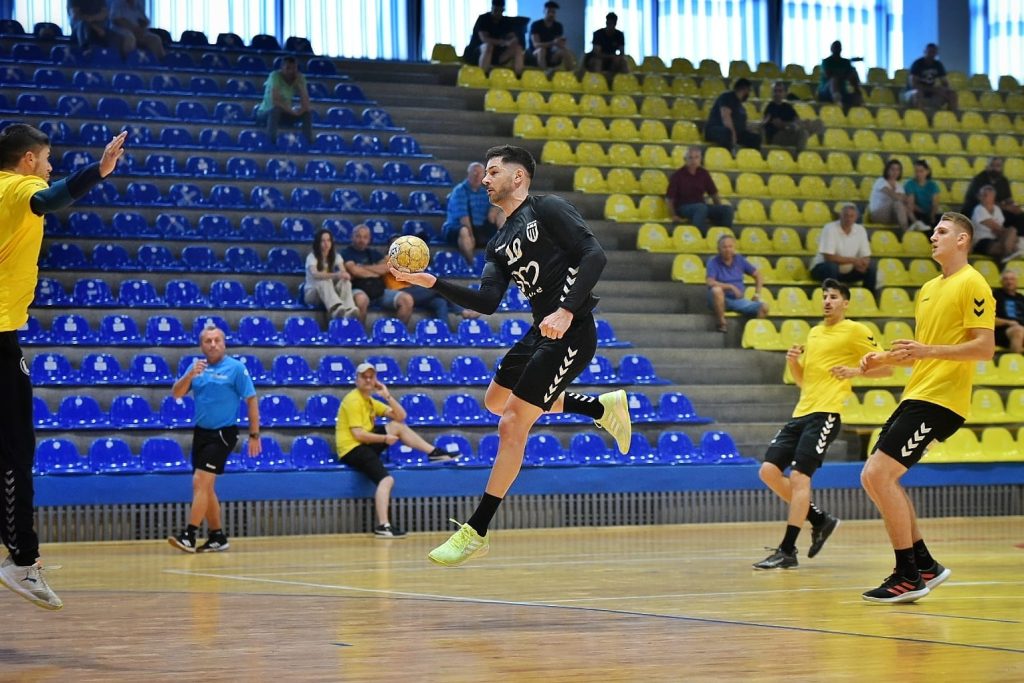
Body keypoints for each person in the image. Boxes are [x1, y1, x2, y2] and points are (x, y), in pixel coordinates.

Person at [389, 145, 633, 566]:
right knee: (496, 400)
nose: (485, 179)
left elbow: (595, 255)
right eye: (485, 173)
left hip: (572, 331)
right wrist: (432, 282)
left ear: (518, 177)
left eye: (493, 172)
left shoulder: (547, 208)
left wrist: (566, 309)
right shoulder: (499, 242)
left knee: (512, 422)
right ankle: (599, 407)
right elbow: (487, 301)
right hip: (540, 331)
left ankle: (476, 530)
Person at [0, 123, 125, 610]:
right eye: (48, 159)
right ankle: (22, 561)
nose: (50, 167)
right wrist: (98, 170)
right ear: (29, 159)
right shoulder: (18, 187)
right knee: (16, 450)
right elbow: (50, 199)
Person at [859, 211, 994, 603]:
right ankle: (925, 565)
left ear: (962, 240)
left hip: (943, 400)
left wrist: (928, 350)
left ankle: (907, 576)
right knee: (872, 478)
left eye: (942, 231)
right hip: (917, 393)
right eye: (934, 231)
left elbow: (984, 347)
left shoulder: (974, 283)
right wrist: (883, 359)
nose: (933, 236)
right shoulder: (929, 288)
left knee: (879, 474)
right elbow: (919, 352)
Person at [754, 279, 888, 570]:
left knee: (800, 478)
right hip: (801, 413)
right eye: (825, 296)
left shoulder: (856, 330)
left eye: (834, 296)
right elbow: (804, 382)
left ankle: (787, 550)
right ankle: (819, 519)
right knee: (768, 471)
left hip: (826, 414)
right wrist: (793, 363)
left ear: (845, 303)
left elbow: (886, 368)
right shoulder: (814, 333)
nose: (827, 301)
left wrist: (854, 370)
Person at [336, 362, 457, 538]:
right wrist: (385, 439)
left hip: (363, 444)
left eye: (371, 377)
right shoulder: (353, 400)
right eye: (364, 377)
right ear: (357, 380)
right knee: (386, 480)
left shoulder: (370, 401)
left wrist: (387, 395)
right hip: (351, 449)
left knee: (397, 426)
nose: (368, 380)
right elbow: (358, 435)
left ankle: (434, 453)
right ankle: (383, 526)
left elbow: (401, 416)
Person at [168, 324, 261, 554]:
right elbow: (176, 393)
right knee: (206, 487)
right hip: (201, 433)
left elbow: (251, 400)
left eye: (217, 340)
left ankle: (189, 535)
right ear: (201, 345)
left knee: (200, 482)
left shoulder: (236, 369)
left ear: (224, 343)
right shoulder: (195, 367)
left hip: (223, 434)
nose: (212, 344)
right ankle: (217, 536)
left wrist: (254, 435)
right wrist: (190, 375)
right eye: (208, 341)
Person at [343, 223, 415, 325]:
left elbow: (386, 268)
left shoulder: (374, 253)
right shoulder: (346, 253)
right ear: (352, 237)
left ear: (369, 239)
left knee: (407, 299)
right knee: (361, 299)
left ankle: (397, 331)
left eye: (365, 237)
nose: (361, 240)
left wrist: (362, 267)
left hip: (379, 291)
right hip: (358, 289)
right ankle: (359, 332)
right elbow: (355, 271)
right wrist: (375, 270)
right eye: (358, 236)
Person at [443, 162, 503, 266]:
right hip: (457, 227)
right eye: (474, 173)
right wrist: (472, 236)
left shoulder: (485, 193)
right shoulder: (459, 191)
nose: (477, 176)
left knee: (502, 216)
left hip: (479, 227)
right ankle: (471, 265)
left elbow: (497, 208)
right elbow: (464, 219)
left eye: (480, 174)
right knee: (464, 231)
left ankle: (503, 258)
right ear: (469, 173)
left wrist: (495, 209)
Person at [706, 234, 767, 333]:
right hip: (720, 299)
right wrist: (730, 287)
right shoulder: (713, 262)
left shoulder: (740, 260)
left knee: (764, 307)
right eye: (724, 247)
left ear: (734, 248)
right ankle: (721, 323)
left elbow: (758, 275)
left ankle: (754, 333)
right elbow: (710, 282)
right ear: (719, 249)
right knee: (716, 290)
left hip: (738, 300)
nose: (728, 250)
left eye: (730, 246)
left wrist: (757, 294)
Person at [810, 203, 878, 291]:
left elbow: (865, 255)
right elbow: (829, 258)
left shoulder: (861, 230)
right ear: (840, 216)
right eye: (846, 215)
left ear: (856, 217)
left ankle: (868, 296)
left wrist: (863, 263)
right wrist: (854, 261)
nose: (848, 219)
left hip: (848, 270)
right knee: (832, 267)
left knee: (871, 268)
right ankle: (833, 297)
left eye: (851, 216)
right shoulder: (830, 228)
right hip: (824, 269)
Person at [666, 146, 734, 231]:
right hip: (683, 207)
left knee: (727, 209)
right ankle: (699, 233)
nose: (693, 160)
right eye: (690, 157)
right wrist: (673, 215)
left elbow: (713, 193)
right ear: (685, 159)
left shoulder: (704, 173)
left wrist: (718, 210)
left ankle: (724, 234)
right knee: (701, 208)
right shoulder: (677, 175)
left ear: (700, 159)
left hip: (701, 206)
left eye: (696, 157)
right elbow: (669, 199)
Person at [254, 56, 314, 146]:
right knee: (276, 110)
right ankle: (271, 143)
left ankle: (308, 143)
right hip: (266, 113)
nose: (291, 71)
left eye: (294, 68)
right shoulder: (275, 76)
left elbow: (306, 105)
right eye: (288, 68)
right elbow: (276, 101)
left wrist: (301, 87)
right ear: (282, 68)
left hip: (284, 113)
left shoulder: (300, 78)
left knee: (307, 113)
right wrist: (293, 112)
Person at [304, 228, 359, 321]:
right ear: (318, 243)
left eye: (328, 240)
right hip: (313, 293)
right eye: (323, 241)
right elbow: (315, 274)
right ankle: (335, 309)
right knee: (323, 281)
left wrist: (345, 276)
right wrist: (335, 275)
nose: (326, 244)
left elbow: (343, 272)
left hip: (330, 292)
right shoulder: (312, 257)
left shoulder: (336, 256)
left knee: (345, 282)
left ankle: (349, 308)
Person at [961, 157, 1024, 232]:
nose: (995, 168)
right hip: (976, 210)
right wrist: (1006, 207)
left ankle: (1017, 237)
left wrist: (1014, 206)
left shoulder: (1003, 180)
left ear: (1001, 168)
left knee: (1020, 215)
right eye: (992, 165)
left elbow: (1008, 199)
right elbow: (985, 202)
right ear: (987, 167)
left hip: (996, 209)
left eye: (998, 166)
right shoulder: (978, 179)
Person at [761, 81, 824, 151]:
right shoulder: (770, 107)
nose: (777, 94)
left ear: (784, 93)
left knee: (819, 123)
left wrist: (804, 123)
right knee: (803, 133)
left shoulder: (787, 107)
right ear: (772, 93)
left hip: (791, 131)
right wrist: (791, 125)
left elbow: (796, 120)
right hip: (777, 136)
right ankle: (798, 155)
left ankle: (821, 145)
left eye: (780, 91)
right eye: (775, 91)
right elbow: (778, 124)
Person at [467, 0, 525, 76]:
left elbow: (512, 36)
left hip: (497, 55)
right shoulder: (483, 19)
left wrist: (513, 40)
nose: (497, 13)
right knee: (488, 46)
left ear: (503, 10)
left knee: (518, 48)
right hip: (478, 52)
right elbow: (484, 39)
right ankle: (483, 75)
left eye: (500, 11)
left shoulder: (505, 21)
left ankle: (518, 76)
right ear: (492, 8)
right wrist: (504, 42)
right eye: (495, 10)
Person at [971, 185, 1023, 264]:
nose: (982, 197)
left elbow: (999, 230)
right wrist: (1010, 237)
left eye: (985, 195)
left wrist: (1009, 235)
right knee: (1010, 242)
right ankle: (1009, 253)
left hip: (996, 239)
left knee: (1012, 230)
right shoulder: (978, 209)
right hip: (981, 241)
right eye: (981, 195)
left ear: (993, 197)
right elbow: (994, 226)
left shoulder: (997, 209)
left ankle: (1007, 254)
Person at [704, 78, 760, 151]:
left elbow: (742, 125)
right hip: (716, 129)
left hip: (734, 132)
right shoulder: (727, 97)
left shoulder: (740, 106)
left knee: (755, 138)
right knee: (727, 134)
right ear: (744, 89)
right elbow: (726, 117)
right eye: (748, 90)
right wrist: (733, 135)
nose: (749, 94)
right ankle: (728, 154)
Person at [904, 43, 957, 112]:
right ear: (925, 52)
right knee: (918, 93)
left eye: (933, 52)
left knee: (952, 94)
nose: (931, 54)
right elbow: (913, 85)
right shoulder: (917, 64)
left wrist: (944, 90)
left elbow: (944, 82)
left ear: (936, 54)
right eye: (929, 52)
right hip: (911, 92)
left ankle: (952, 115)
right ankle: (922, 117)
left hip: (930, 93)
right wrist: (933, 89)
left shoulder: (938, 65)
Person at [817, 40, 863, 110]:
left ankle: (859, 99)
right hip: (826, 92)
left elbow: (851, 75)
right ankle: (837, 102)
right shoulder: (826, 61)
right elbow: (828, 75)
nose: (837, 49)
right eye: (835, 47)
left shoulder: (845, 62)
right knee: (834, 79)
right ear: (831, 49)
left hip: (842, 91)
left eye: (838, 47)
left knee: (853, 75)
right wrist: (842, 75)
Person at [530, 1, 575, 72]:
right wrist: (553, 43)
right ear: (544, 11)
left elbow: (558, 44)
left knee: (565, 51)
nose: (551, 14)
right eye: (549, 12)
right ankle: (545, 74)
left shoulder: (558, 26)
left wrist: (561, 44)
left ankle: (572, 73)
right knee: (542, 50)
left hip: (550, 53)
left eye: (553, 12)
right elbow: (536, 45)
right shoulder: (536, 25)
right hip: (535, 53)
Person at [868, 159, 911, 232]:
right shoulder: (881, 181)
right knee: (898, 203)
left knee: (904, 205)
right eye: (892, 169)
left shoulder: (899, 185)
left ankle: (912, 225)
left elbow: (905, 199)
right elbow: (894, 196)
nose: (895, 172)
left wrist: (903, 198)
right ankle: (907, 230)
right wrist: (901, 197)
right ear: (887, 170)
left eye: (897, 170)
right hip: (878, 214)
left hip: (892, 215)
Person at [904, 159, 940, 232]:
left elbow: (935, 203)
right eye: (916, 171)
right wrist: (922, 211)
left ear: (927, 171)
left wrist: (932, 216)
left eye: (921, 171)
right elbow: (911, 204)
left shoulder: (933, 185)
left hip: (930, 212)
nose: (918, 174)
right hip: (916, 213)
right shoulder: (910, 184)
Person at [994, 268, 1024, 353]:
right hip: (1002, 331)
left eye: (1012, 279)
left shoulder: (1021, 298)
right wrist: (1008, 322)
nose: (1009, 282)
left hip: (1021, 329)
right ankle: (1016, 360)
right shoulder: (995, 296)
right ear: (1001, 282)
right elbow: (988, 319)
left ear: (1016, 282)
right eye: (1006, 279)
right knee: (1018, 330)